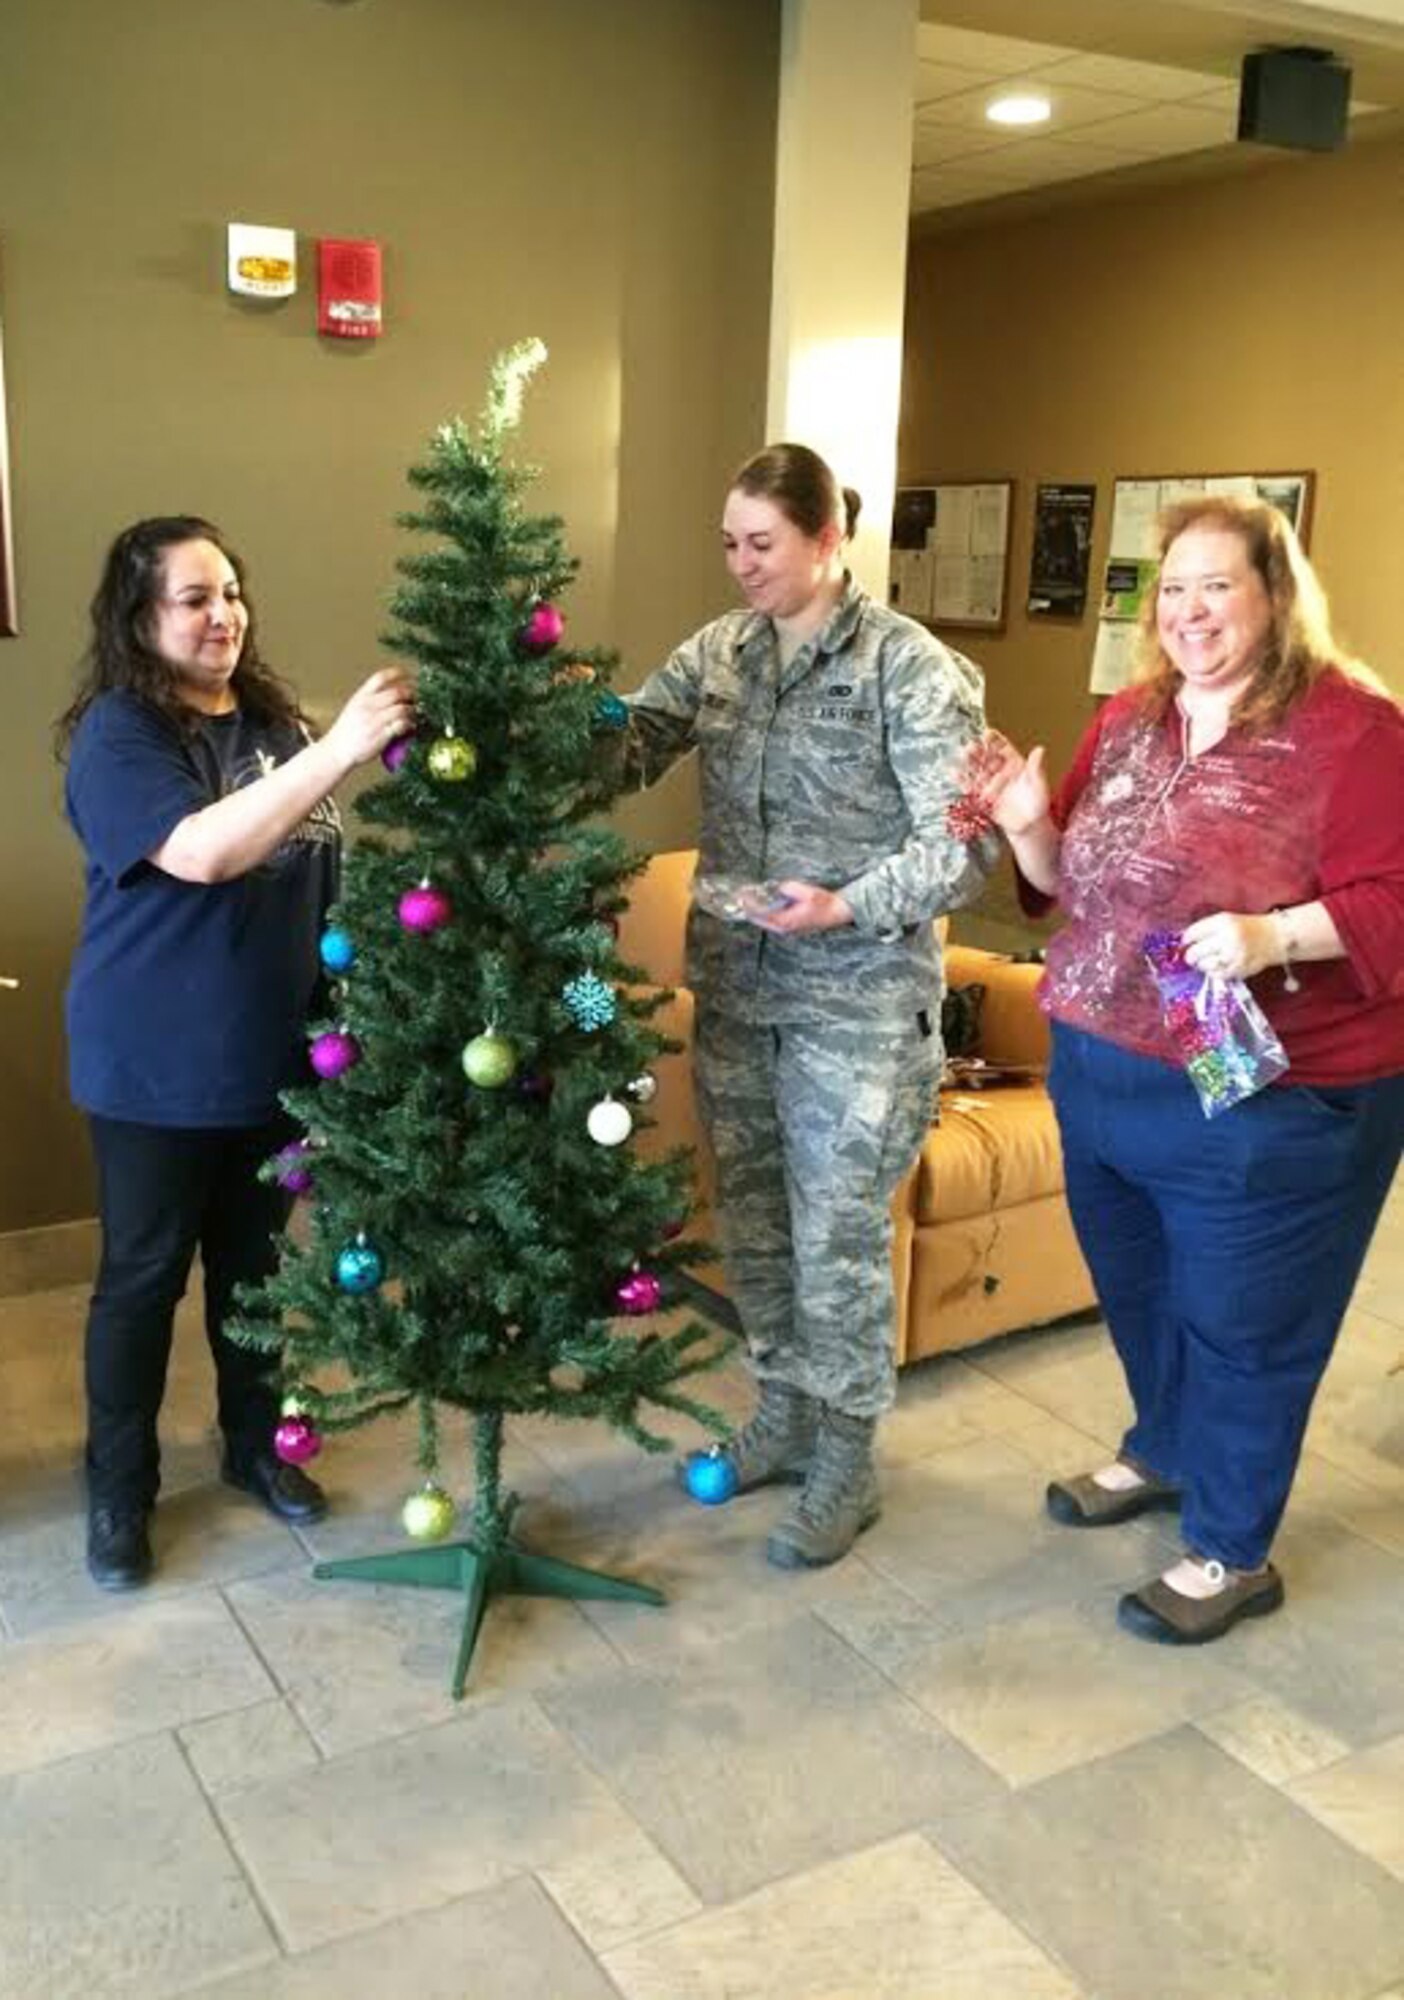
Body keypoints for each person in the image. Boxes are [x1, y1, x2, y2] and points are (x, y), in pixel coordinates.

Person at [977, 494, 1404, 1643]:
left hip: (1276, 1088)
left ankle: (1229, 1542)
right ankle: (1163, 1450)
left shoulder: (1353, 730)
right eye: (1173, 587)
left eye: (1218, 583)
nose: (1191, 609)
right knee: (1144, 1293)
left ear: (1275, 592)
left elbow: (1395, 903)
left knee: (1246, 1319)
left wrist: (1277, 935)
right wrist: (1024, 822)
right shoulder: (1129, 716)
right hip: (1107, 1066)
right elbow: (1068, 880)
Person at [620, 444, 998, 1567]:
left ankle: (847, 1454)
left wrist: (847, 903)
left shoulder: (911, 670)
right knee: (754, 1222)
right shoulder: (721, 655)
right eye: (729, 543)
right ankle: (782, 1411)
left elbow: (963, 847)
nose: (741, 565)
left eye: (763, 544)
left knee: (836, 1240)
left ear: (829, 539)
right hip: (740, 994)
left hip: (860, 1010)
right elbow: (630, 743)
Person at [56, 516, 414, 1590]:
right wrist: (341, 748)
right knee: (142, 1280)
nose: (223, 614)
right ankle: (120, 1483)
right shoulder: (119, 735)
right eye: (193, 598)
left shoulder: (273, 721)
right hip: (154, 1068)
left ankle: (256, 1442)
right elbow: (204, 851)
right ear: (139, 616)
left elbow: (316, 876)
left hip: (274, 1063)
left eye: (233, 592)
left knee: (254, 1274)